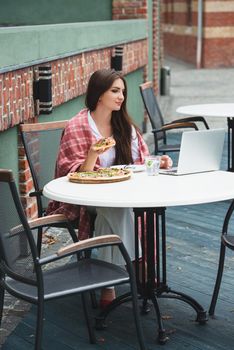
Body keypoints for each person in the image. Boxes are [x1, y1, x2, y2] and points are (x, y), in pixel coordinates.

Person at [47, 68, 172, 306]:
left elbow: (139, 162)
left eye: (123, 92)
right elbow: (70, 175)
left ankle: (108, 285)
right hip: (87, 198)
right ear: (98, 94)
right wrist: (92, 155)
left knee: (114, 213)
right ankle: (140, 264)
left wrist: (159, 162)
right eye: (115, 91)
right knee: (114, 209)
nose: (121, 97)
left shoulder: (125, 126)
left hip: (123, 196)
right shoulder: (78, 126)